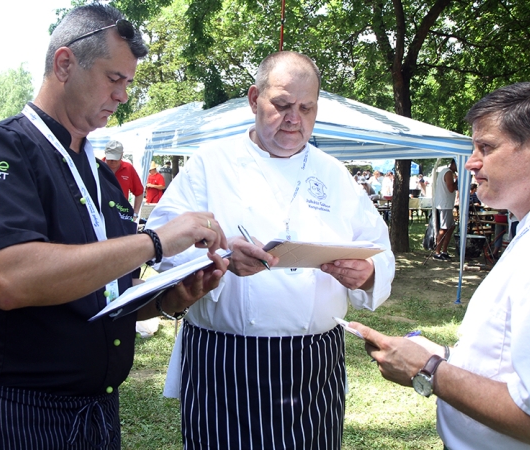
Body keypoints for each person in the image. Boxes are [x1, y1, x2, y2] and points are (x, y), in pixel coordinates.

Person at [0, 4, 229, 449]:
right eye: (114, 78)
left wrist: (169, 298)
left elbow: (107, 298)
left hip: (98, 416)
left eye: (129, 82)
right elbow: (9, 279)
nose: (123, 95)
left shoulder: (103, 175)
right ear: (65, 64)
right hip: (15, 418)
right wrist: (156, 241)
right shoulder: (2, 146)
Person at [351, 82, 530, 449]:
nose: (470, 162)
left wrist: (428, 370)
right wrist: (444, 357)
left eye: (486, 147)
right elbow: (514, 365)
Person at [146, 51, 395, 449]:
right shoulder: (212, 164)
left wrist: (366, 273)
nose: (293, 118)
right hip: (225, 358)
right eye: (281, 105)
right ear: (253, 99)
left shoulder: (334, 174)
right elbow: (163, 242)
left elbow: (379, 250)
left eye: (306, 108)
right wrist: (221, 260)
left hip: (312, 361)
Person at [103, 139, 144, 219]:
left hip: (121, 214)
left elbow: (139, 192)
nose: (112, 161)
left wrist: (135, 213)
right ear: (105, 154)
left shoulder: (128, 168)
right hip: (101, 214)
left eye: (115, 158)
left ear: (121, 155)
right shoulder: (97, 166)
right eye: (110, 157)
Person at [432, 159, 457, 260]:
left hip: (447, 204)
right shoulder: (448, 173)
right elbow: (451, 188)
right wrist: (459, 181)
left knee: (451, 227)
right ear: (453, 164)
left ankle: (444, 251)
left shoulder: (446, 172)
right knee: (444, 228)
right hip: (445, 205)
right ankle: (437, 252)